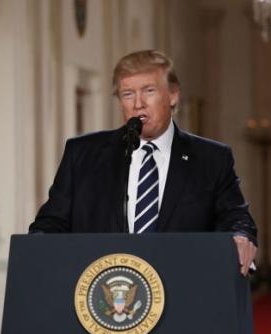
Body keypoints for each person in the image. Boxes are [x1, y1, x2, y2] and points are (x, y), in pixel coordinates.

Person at [29, 50, 257, 274]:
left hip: (183, 288)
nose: (138, 104)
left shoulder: (211, 159)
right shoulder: (83, 154)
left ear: (173, 95)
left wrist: (241, 236)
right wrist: (37, 246)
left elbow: (236, 217)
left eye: (148, 91)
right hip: (103, 294)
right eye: (127, 94)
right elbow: (52, 222)